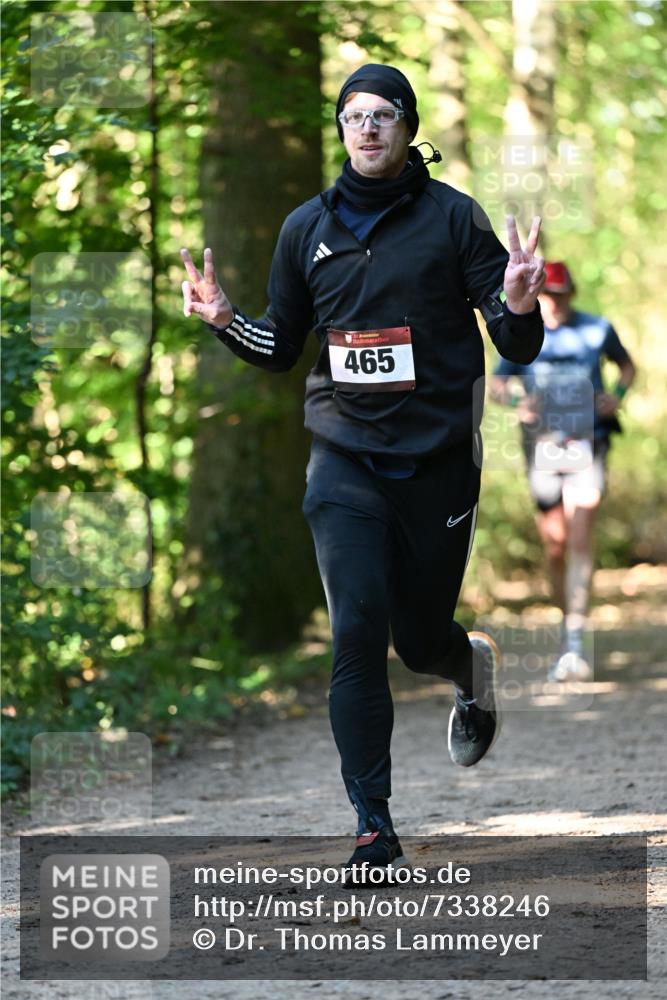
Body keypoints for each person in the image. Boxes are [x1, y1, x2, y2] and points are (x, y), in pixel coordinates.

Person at [180, 64, 546, 882]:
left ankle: (467, 666)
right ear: (340, 131)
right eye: (354, 117)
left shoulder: (454, 220)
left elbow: (515, 345)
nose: (368, 128)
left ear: (408, 126)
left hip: (439, 461)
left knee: (417, 643)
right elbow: (280, 350)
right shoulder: (304, 226)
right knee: (356, 634)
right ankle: (372, 830)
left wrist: (519, 303)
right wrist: (222, 321)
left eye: (384, 115)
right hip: (342, 457)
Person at [491, 261, 636, 681]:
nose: (553, 303)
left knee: (579, 533)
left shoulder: (597, 329)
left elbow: (627, 367)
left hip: (588, 441)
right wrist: (518, 402)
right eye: (546, 296)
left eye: (559, 295)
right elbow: (499, 384)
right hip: (543, 446)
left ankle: (576, 643)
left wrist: (617, 396)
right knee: (555, 546)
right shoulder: (523, 332)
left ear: (571, 294)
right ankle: (565, 633)